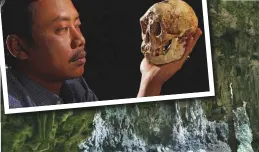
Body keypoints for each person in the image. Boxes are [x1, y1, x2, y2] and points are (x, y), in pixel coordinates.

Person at [1, 0, 202, 108]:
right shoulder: (13, 106)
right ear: (18, 47)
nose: (80, 39)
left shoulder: (74, 86)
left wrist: (151, 82)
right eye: (62, 29)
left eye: (77, 25)